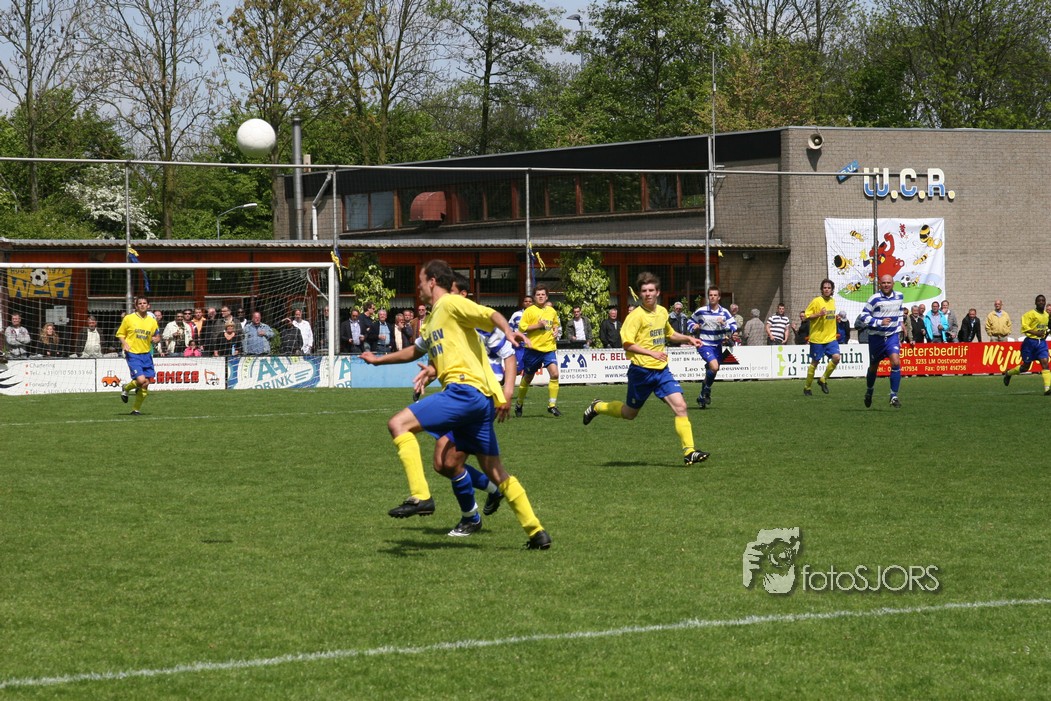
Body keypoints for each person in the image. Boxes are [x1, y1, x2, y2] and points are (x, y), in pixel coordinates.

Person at [363, 259, 551, 549]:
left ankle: (421, 496)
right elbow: (414, 351)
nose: (418, 288)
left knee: (398, 424)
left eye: (420, 282)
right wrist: (378, 361)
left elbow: (489, 314)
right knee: (491, 470)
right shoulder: (432, 320)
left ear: (432, 282)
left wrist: (508, 331)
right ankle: (536, 532)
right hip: (478, 403)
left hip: (465, 393)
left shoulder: (450, 303)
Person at [399, 272, 515, 536]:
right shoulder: (445, 318)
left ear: (461, 294)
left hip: (479, 398)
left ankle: (472, 517)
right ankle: (493, 492)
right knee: (442, 464)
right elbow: (438, 356)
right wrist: (431, 372)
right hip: (460, 397)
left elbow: (509, 354)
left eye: (448, 290)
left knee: (450, 462)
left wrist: (507, 392)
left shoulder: (474, 321)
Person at [583, 272, 710, 466]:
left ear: (658, 292)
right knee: (629, 414)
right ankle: (598, 406)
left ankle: (689, 452)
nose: (648, 294)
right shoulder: (635, 317)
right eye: (644, 291)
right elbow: (627, 344)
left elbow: (669, 334)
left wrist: (688, 338)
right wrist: (651, 353)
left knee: (681, 406)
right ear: (640, 294)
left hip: (662, 371)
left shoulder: (662, 312)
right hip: (641, 372)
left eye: (651, 290)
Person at [687, 286, 738, 409]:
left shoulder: (724, 312)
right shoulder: (701, 311)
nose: (712, 297)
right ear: (708, 296)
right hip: (704, 344)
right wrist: (693, 327)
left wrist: (724, 324)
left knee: (713, 370)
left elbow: (734, 327)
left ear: (719, 297)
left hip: (717, 345)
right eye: (710, 295)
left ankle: (702, 396)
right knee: (714, 367)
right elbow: (689, 321)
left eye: (715, 295)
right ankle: (707, 390)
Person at [515, 283, 562, 417]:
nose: (540, 297)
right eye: (538, 295)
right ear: (534, 297)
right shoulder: (529, 311)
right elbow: (522, 328)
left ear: (546, 297)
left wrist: (555, 330)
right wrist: (538, 325)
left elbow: (555, 324)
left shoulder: (551, 311)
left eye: (543, 295)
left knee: (555, 374)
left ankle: (552, 405)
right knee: (528, 377)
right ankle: (519, 403)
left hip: (549, 348)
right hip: (533, 349)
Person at [860, 275, 905, 408]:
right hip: (876, 337)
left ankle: (893, 396)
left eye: (888, 283)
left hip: (892, 336)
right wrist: (879, 322)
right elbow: (863, 316)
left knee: (896, 362)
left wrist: (901, 323)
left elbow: (900, 311)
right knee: (874, 367)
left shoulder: (899, 296)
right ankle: (869, 390)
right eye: (884, 283)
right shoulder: (874, 299)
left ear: (893, 283)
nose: (886, 285)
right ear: (880, 284)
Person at [116, 296, 159, 415]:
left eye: (144, 303)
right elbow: (120, 334)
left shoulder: (152, 321)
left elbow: (157, 335)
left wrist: (157, 339)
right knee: (140, 380)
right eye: (140, 303)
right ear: (136, 306)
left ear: (148, 306)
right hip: (133, 353)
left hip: (146, 354)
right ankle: (126, 388)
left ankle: (135, 409)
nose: (142, 305)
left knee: (146, 383)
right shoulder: (129, 318)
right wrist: (124, 343)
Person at [1002, 294, 1050, 395]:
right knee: (1025, 367)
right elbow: (1024, 328)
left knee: (1045, 363)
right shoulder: (1029, 314)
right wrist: (1036, 333)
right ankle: (1008, 373)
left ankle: (1047, 388)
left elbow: (1045, 329)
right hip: (1030, 343)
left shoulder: (1046, 316)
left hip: (1041, 343)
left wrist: (1045, 334)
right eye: (1039, 301)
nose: (1041, 302)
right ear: (1035, 303)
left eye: (1043, 300)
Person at [803, 278, 840, 396]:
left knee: (836, 358)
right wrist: (818, 314)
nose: (827, 290)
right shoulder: (816, 301)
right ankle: (807, 387)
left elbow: (829, 316)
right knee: (815, 363)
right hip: (817, 339)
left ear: (832, 290)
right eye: (825, 288)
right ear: (821, 289)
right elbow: (806, 316)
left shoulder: (833, 301)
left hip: (830, 338)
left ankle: (823, 379)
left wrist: (836, 318)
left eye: (829, 288)